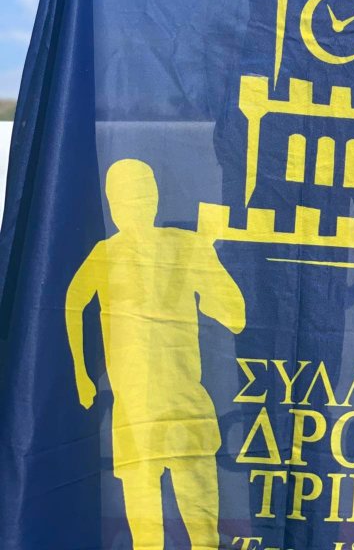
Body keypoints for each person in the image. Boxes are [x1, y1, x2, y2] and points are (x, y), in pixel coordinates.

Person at [65, 157, 246, 550]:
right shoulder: (109, 253)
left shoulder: (185, 247)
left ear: (153, 198)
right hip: (139, 411)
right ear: (113, 204)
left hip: (179, 407)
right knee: (151, 537)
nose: (132, 207)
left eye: (138, 195)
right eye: (125, 198)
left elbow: (236, 316)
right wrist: (80, 373)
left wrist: (209, 273)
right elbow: (72, 301)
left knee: (200, 536)